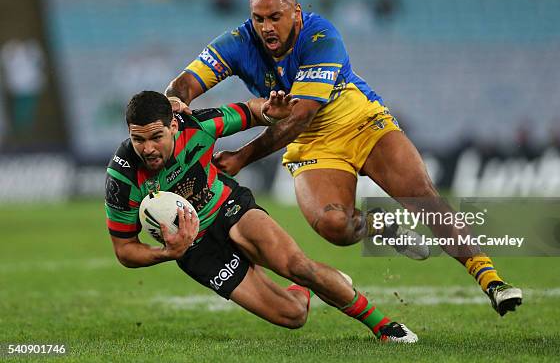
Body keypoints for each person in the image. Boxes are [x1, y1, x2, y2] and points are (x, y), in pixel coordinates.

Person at [165, 0, 522, 316]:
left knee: (422, 197)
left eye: (275, 16)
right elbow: (185, 83)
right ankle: (378, 225)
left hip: (360, 122)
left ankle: (491, 280)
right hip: (313, 145)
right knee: (334, 227)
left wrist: (244, 156)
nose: (266, 27)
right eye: (258, 18)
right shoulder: (239, 42)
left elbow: (299, 114)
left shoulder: (322, 36)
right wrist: (176, 103)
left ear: (296, 13)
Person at [104, 90, 418, 343]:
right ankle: (307, 287)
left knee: (298, 266)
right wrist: (167, 252)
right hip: (196, 249)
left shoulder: (198, 126)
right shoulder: (123, 177)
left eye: (155, 137)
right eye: (138, 140)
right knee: (293, 316)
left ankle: (384, 327)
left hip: (229, 208)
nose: (147, 148)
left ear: (173, 125)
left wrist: (270, 111)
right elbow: (125, 250)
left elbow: (252, 112)